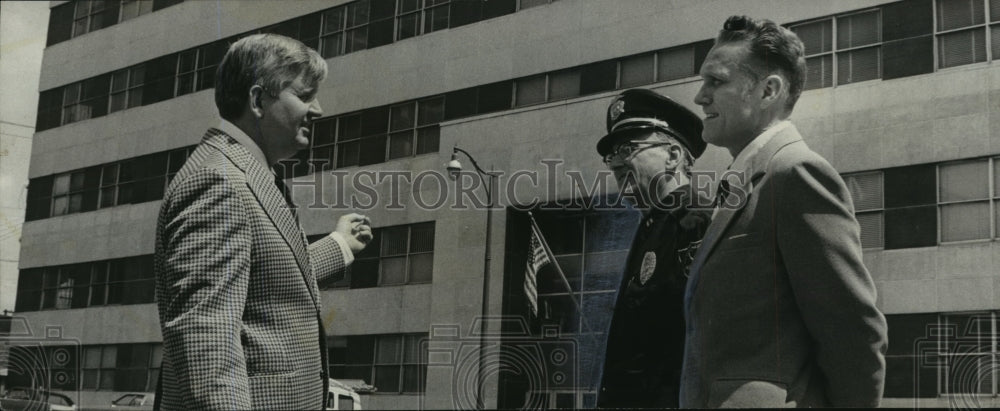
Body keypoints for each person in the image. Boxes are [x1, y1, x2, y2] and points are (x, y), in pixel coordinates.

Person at [153, 34, 373, 410]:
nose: (317, 109)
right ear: (257, 100)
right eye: (304, 96)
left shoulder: (246, 174)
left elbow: (262, 275)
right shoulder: (220, 183)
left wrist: (338, 246)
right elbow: (207, 340)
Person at [681, 15, 888, 408]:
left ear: (768, 91)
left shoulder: (796, 174)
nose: (700, 96)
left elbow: (853, 331)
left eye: (717, 81)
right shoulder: (745, 179)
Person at [595, 88, 711, 408]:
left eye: (629, 147)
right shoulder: (651, 227)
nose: (616, 161)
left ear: (673, 157)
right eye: (613, 153)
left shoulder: (694, 220)